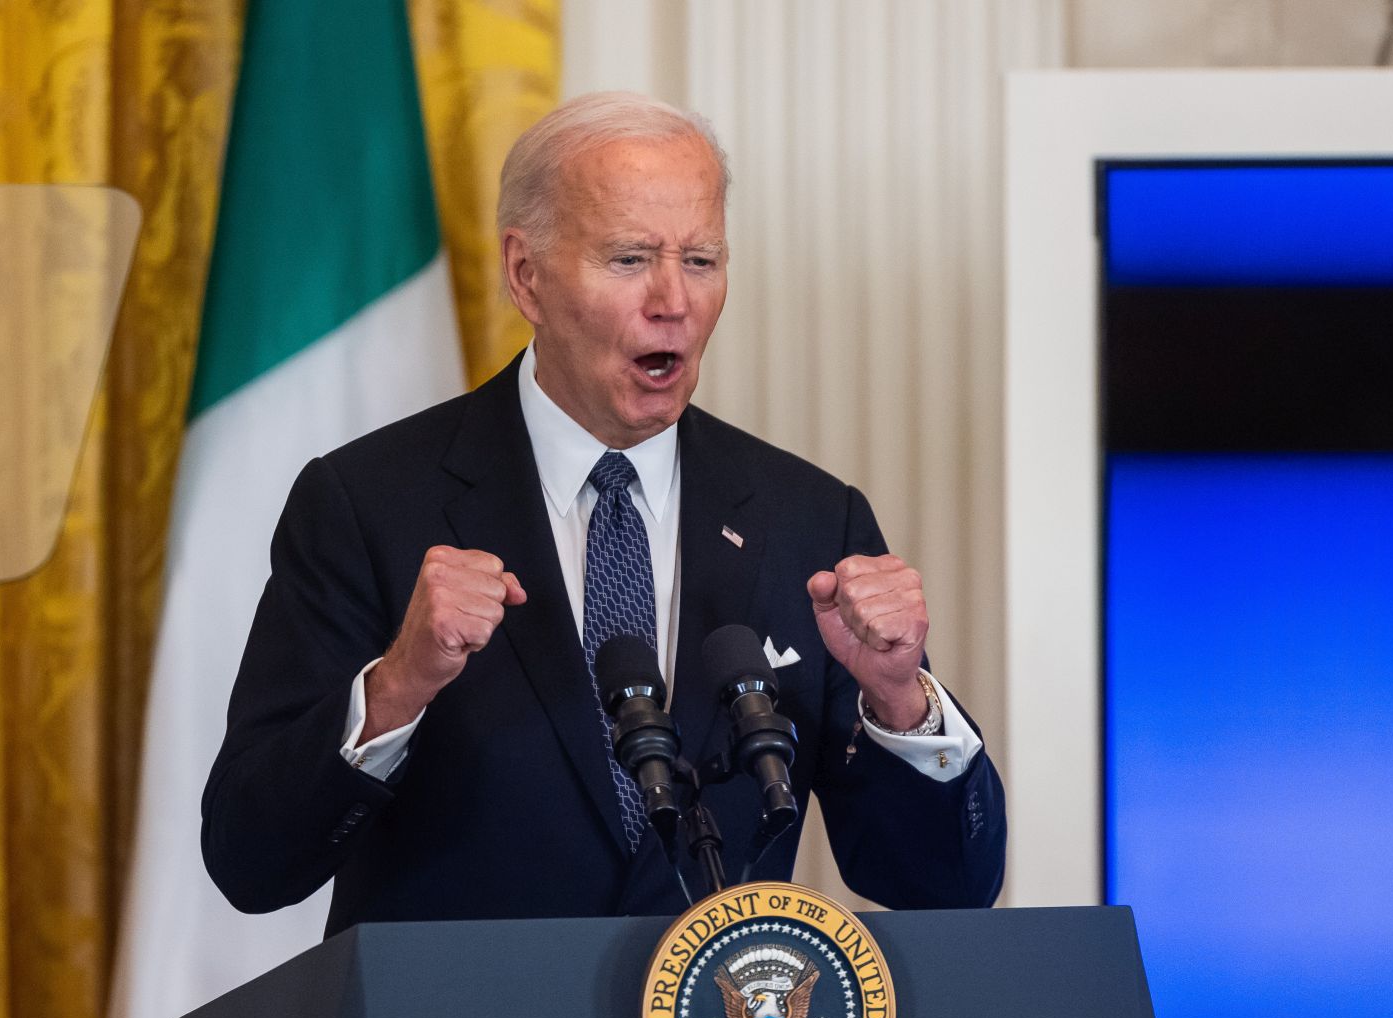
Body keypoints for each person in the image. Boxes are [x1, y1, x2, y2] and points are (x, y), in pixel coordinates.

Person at [201, 93, 1004, 936]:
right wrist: (398, 686)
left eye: (701, 259)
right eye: (629, 259)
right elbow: (251, 859)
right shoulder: (368, 503)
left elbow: (944, 885)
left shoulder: (809, 520)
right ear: (527, 275)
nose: (674, 301)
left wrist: (899, 699)